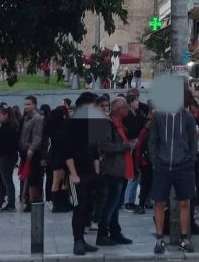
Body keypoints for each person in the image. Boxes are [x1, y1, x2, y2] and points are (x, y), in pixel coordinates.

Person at [148, 83, 199, 254]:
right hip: (163, 164)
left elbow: (193, 141)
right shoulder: (159, 116)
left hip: (183, 165)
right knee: (159, 202)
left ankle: (185, 238)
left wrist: (190, 158)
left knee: (185, 201)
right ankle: (160, 238)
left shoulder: (187, 118)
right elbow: (153, 140)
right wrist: (155, 160)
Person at [64, 91, 106, 257]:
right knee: (79, 207)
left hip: (90, 173)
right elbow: (67, 153)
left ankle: (82, 239)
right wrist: (74, 174)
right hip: (77, 173)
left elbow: (95, 151)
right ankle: (77, 241)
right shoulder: (71, 125)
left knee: (87, 207)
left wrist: (96, 172)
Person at [96, 97, 135, 247]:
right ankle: (102, 234)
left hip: (121, 168)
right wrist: (126, 146)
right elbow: (105, 146)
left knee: (116, 203)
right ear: (119, 110)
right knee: (110, 204)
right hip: (112, 170)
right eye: (125, 107)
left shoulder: (119, 125)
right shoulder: (108, 124)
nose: (128, 110)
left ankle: (115, 232)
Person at [44, 105, 73, 213]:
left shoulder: (51, 127)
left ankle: (61, 203)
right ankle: (59, 204)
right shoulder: (62, 128)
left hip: (55, 155)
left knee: (59, 179)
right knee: (60, 180)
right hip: (61, 156)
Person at [122, 90, 148, 212]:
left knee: (136, 174)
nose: (138, 102)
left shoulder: (139, 113)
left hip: (138, 146)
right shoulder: (127, 115)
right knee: (132, 175)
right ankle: (128, 201)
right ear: (130, 102)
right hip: (130, 146)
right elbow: (130, 130)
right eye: (136, 100)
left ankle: (130, 200)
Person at [20, 95, 45, 211]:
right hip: (25, 151)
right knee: (27, 176)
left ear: (34, 105)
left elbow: (37, 137)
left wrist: (31, 149)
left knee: (33, 178)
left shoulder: (37, 118)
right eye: (25, 104)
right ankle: (28, 199)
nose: (26, 106)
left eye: (29, 104)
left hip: (33, 152)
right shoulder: (26, 118)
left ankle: (32, 201)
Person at [0, 105, 19, 211]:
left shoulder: (9, 128)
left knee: (7, 180)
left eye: (0, 115)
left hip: (6, 156)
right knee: (3, 180)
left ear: (6, 115)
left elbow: (3, 143)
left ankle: (11, 203)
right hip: (3, 156)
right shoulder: (5, 126)